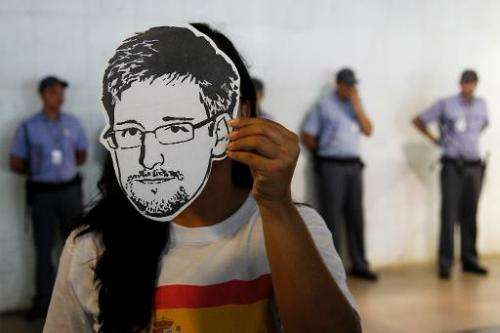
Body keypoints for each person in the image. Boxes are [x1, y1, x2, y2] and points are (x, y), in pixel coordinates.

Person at [44, 25, 360, 333]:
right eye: (131, 132)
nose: (149, 158)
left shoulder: (294, 229)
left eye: (175, 129)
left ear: (235, 121)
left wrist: (277, 205)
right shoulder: (92, 248)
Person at [9, 76, 88, 318]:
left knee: (75, 246)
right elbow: (15, 162)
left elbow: (81, 156)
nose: (60, 96)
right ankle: (43, 302)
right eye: (55, 92)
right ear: (43, 95)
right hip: (42, 195)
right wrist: (40, 172)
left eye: (62, 92)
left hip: (69, 193)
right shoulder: (28, 126)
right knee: (43, 249)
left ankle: (77, 301)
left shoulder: (73, 123)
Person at [301, 68, 378, 281]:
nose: (352, 89)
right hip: (332, 166)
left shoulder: (356, 107)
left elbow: (369, 130)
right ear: (339, 85)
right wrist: (322, 156)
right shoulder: (324, 106)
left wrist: (358, 106)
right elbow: (307, 135)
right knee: (332, 217)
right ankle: (334, 267)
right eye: (348, 85)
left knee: (356, 216)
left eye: (354, 85)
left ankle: (360, 263)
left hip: (354, 167)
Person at [412, 69, 489, 279]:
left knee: (470, 214)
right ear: (460, 84)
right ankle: (445, 262)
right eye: (466, 83)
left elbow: (482, 126)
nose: (469, 86)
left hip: (474, 166)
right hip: (453, 167)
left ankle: (470, 260)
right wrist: (435, 140)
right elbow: (418, 120)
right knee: (449, 215)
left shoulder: (482, 105)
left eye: (472, 83)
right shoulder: (446, 104)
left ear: (476, 84)